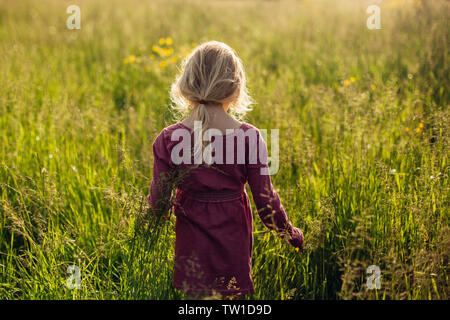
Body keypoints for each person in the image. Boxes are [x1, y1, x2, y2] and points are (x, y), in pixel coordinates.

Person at [148, 41, 304, 299]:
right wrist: (289, 233)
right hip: (233, 248)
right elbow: (265, 202)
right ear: (234, 88)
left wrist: (144, 232)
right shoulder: (249, 138)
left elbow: (157, 205)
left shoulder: (169, 139)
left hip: (191, 255)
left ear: (187, 84)